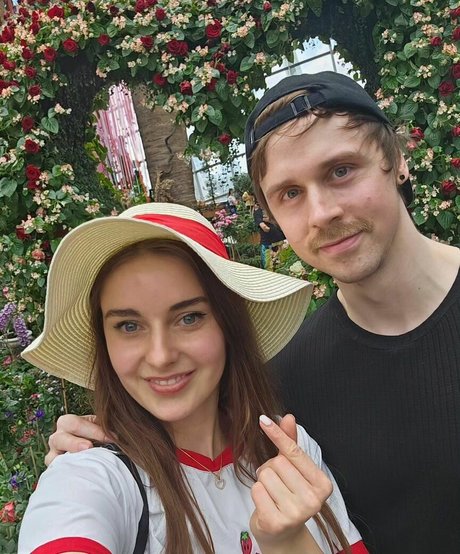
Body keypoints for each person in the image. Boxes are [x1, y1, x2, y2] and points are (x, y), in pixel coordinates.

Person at [49, 71, 460, 554]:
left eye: (341, 171)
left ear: (397, 160)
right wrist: (88, 457)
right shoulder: (288, 383)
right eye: (290, 193)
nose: (322, 212)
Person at [18, 202, 367, 554]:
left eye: (189, 318)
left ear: (228, 325)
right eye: (129, 326)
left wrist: (288, 542)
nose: (161, 356)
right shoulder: (92, 476)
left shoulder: (289, 448)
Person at [253, 205, 286, 269]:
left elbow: (265, 228)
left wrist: (269, 220)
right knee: (282, 266)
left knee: (270, 268)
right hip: (279, 242)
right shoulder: (276, 208)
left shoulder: (258, 212)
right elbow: (265, 228)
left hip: (270, 244)